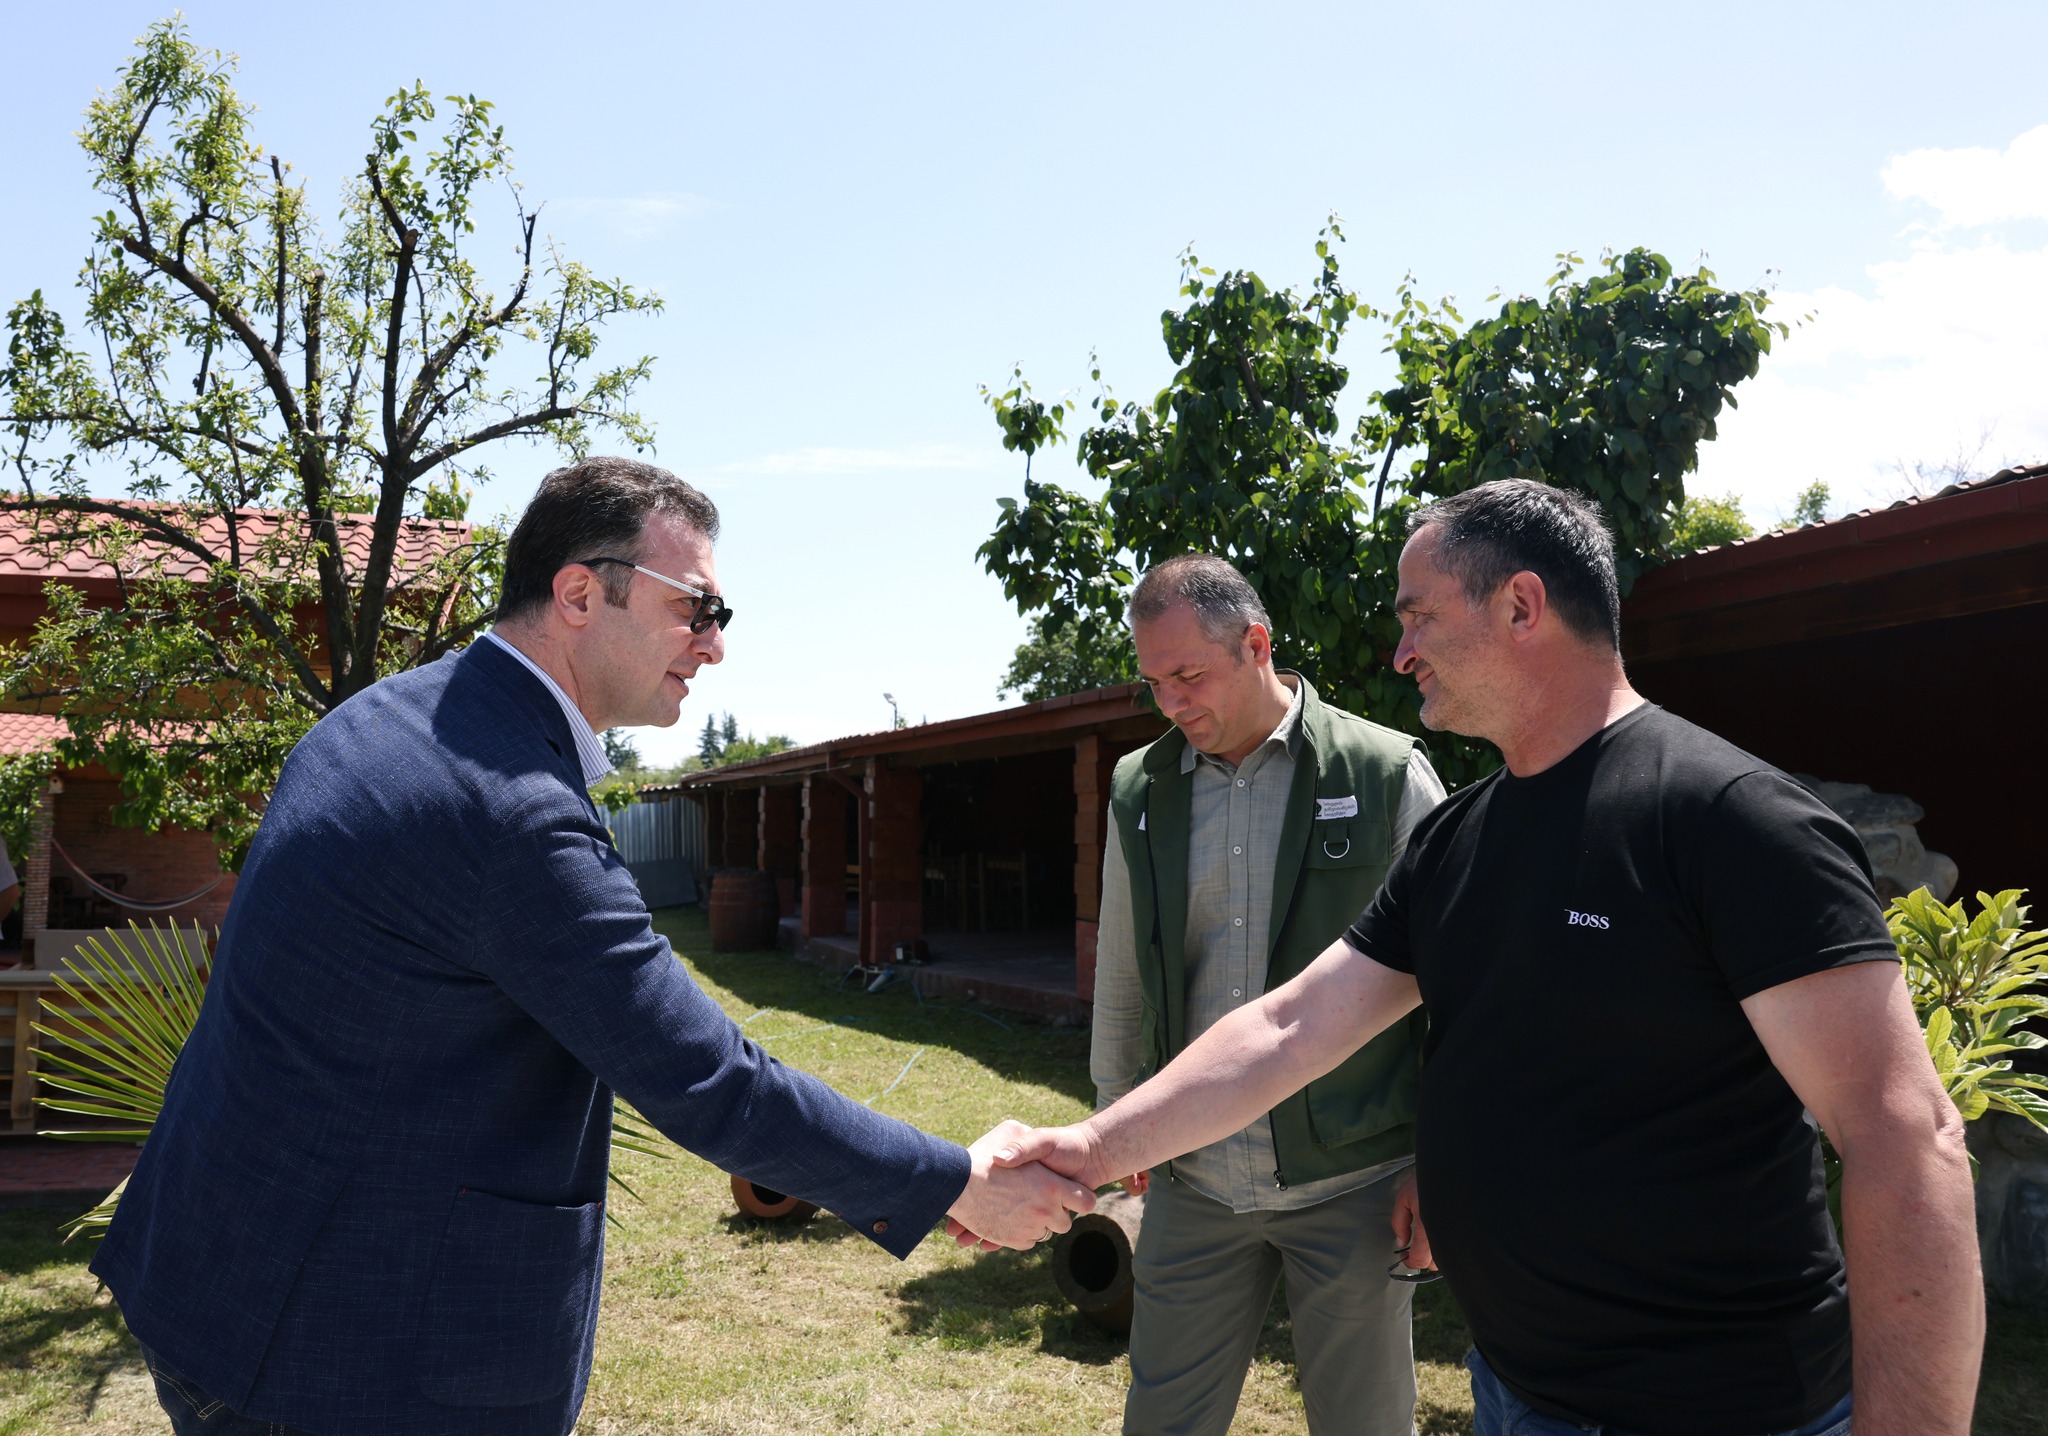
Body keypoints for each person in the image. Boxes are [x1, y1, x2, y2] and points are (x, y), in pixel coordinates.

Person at [93, 457, 1094, 1436]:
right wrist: (953, 1179)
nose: (714, 645)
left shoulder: (384, 718)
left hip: (216, 1284)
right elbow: (707, 1078)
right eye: (695, 608)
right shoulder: (506, 807)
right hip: (339, 1363)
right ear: (578, 593)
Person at [989, 480, 1981, 1436]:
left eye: (1418, 617)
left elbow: (1904, 1136)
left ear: (1520, 605)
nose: (1399, 652)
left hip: (1726, 1409)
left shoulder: (1730, 820)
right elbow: (1290, 1026)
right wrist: (1095, 1146)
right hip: (1516, 1393)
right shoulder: (1456, 840)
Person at [1090, 555, 1443, 1436]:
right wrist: (1115, 1121)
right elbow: (1123, 967)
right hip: (1194, 1177)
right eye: (1153, 683)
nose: (1171, 703)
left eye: (1187, 675)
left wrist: (1441, 1161)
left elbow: (1460, 988)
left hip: (1355, 1180)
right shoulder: (1139, 789)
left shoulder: (1386, 774)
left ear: (1256, 645)